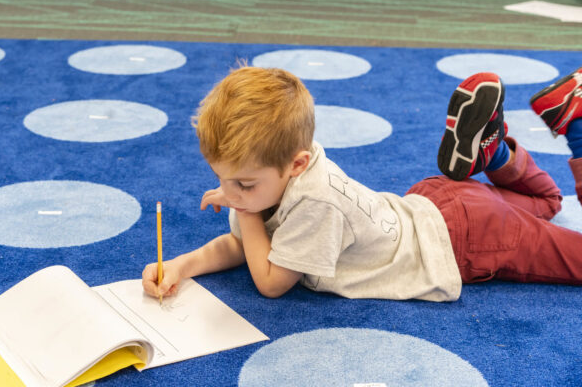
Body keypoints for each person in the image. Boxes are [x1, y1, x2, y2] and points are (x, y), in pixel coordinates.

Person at [141, 65, 582, 302]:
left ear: (296, 165)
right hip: (437, 203)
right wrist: (182, 266)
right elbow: (242, 245)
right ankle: (493, 153)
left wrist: (245, 207)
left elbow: (271, 282)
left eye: (242, 184)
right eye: (222, 180)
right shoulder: (269, 180)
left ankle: (577, 124)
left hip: (467, 239)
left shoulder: (313, 202)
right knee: (546, 199)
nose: (230, 193)